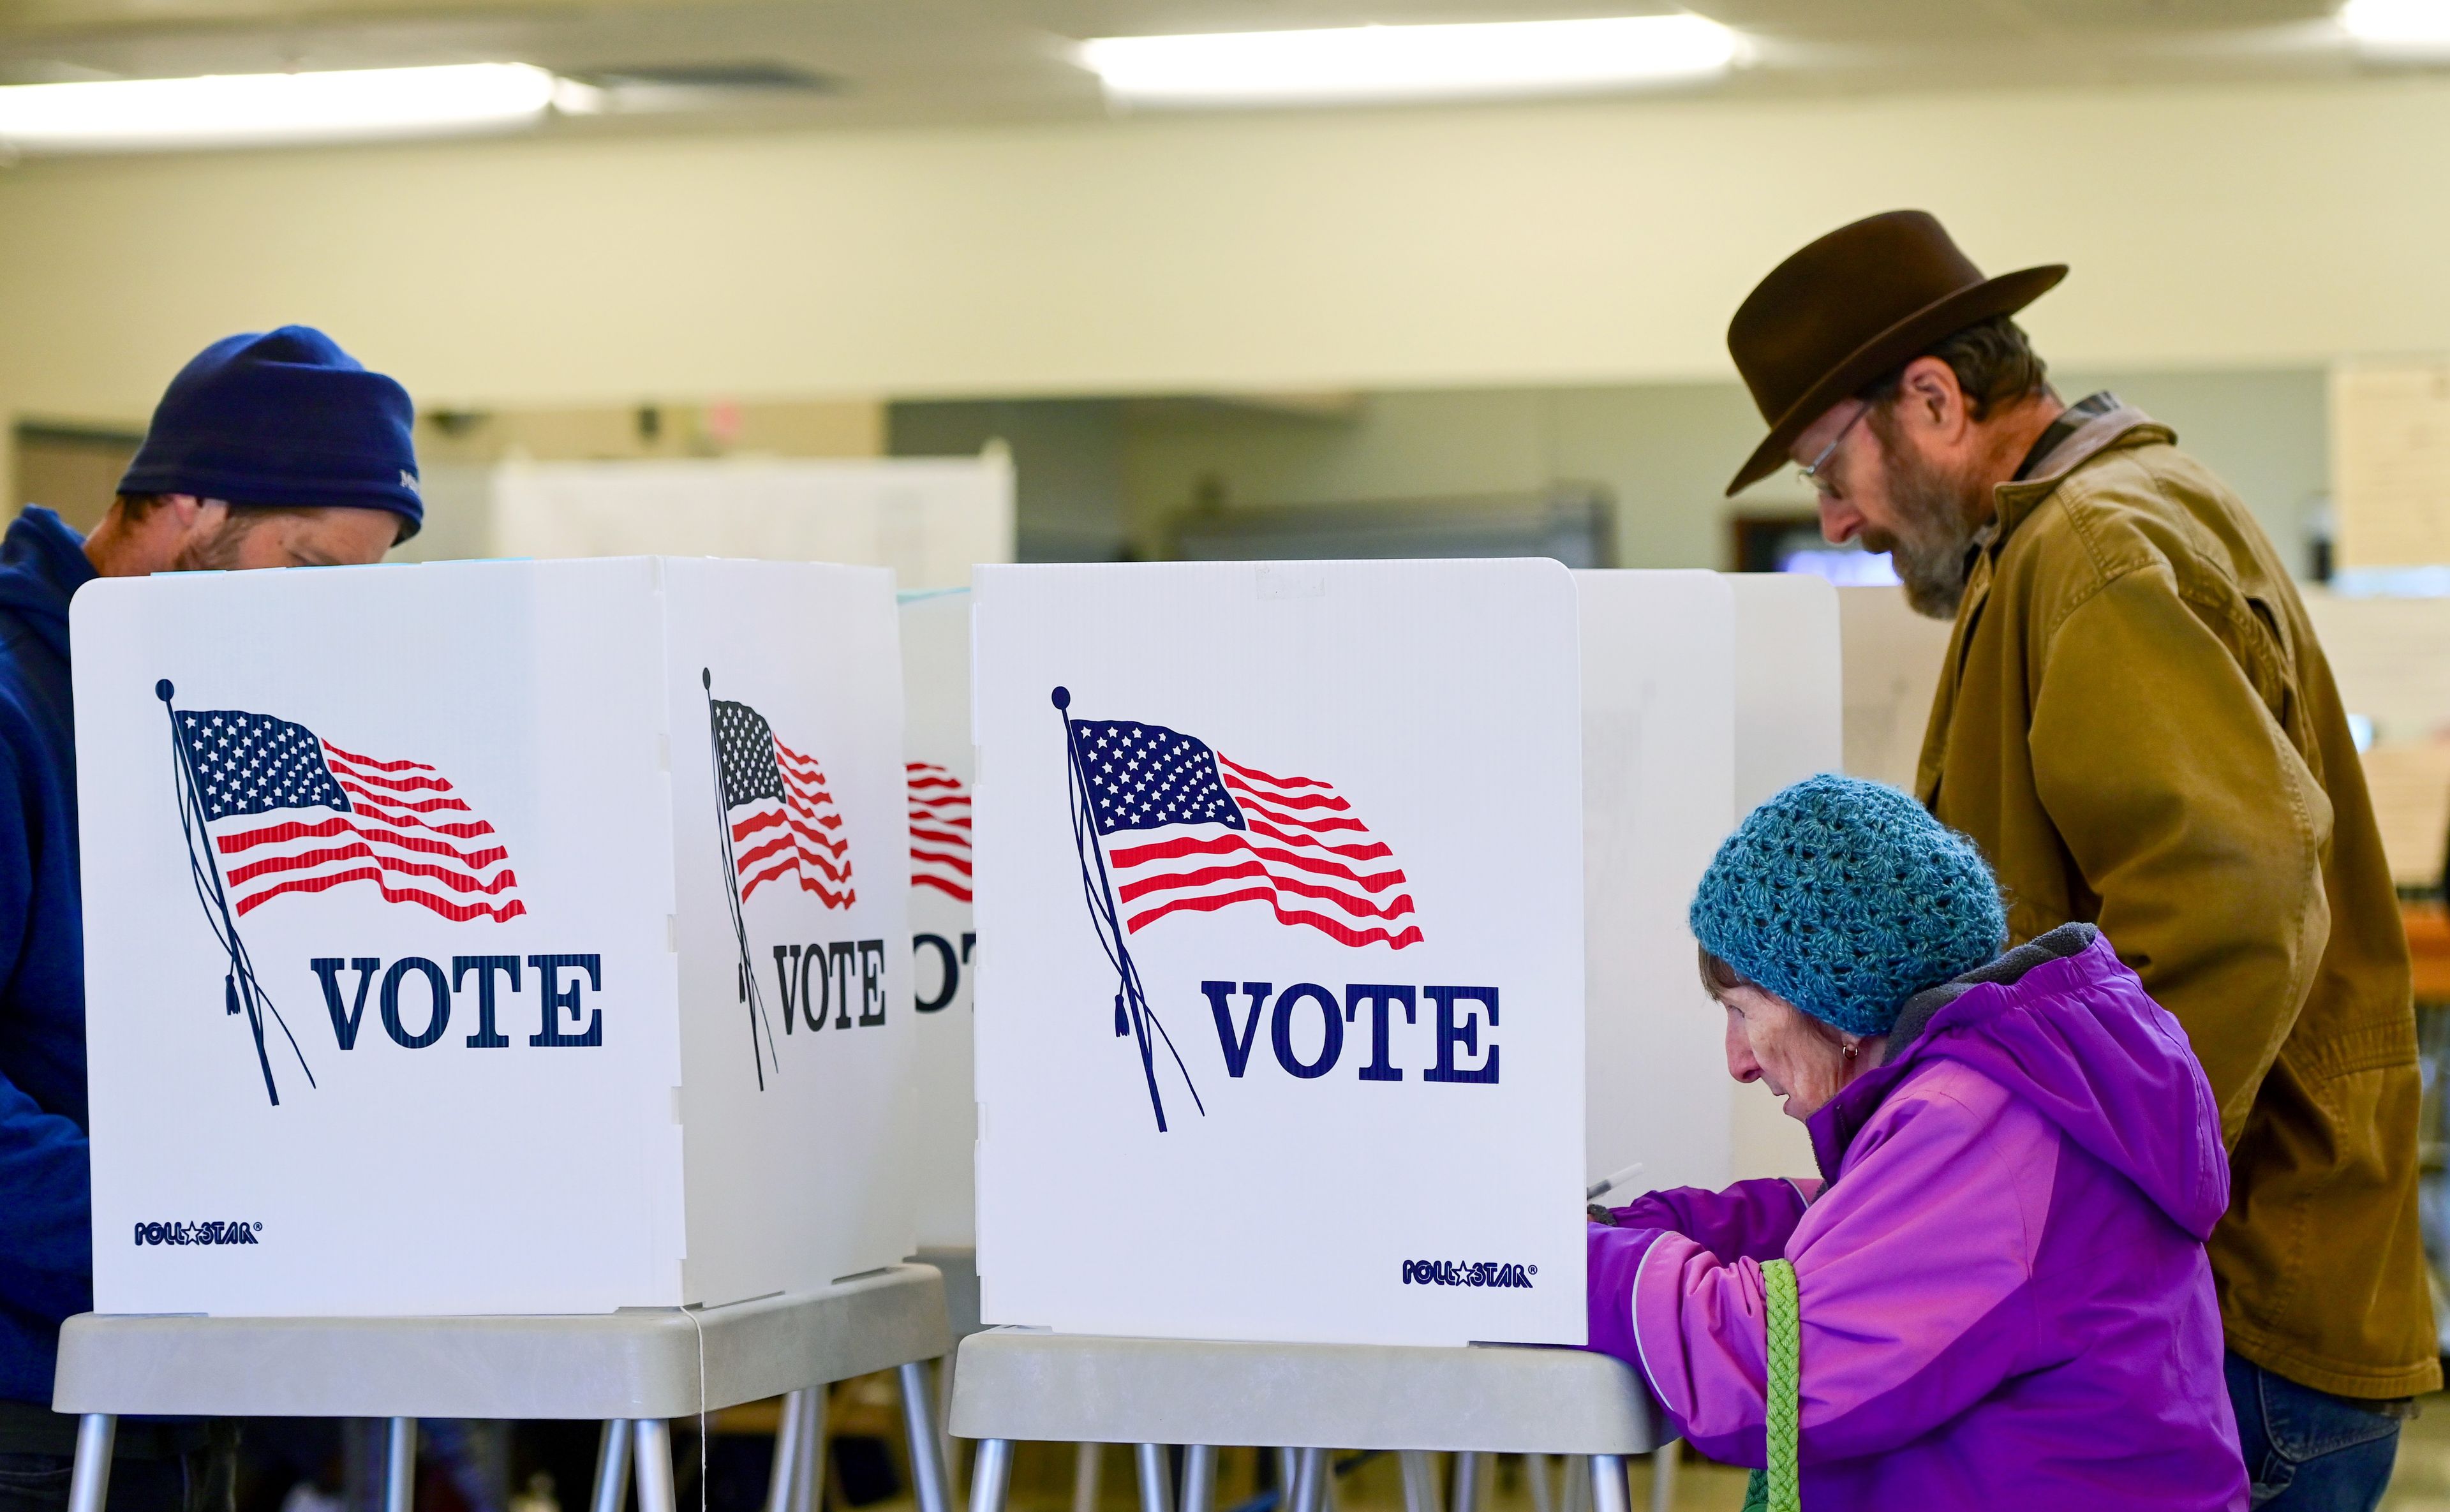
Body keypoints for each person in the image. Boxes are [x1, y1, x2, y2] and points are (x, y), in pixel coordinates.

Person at [1720, 211, 2434, 1509]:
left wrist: (2044, 1205)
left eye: (1834, 466)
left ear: (1932, 398)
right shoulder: (2072, 536)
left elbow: (2237, 906)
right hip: (2235, 1298)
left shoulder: (2094, 549)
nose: (1833, 519)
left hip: (2235, 1316)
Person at [0, 328, 420, 1512]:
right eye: (307, 572)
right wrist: (186, 1232)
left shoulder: (194, 710)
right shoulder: (17, 719)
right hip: (35, 1419)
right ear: (186, 506)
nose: (327, 627)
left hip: (181, 1402)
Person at [1586, 775, 2246, 1508]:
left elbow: (1771, 1371)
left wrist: (1565, 1264)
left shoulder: (1976, 1123)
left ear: (1836, 1008)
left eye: (1745, 1012)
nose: (1738, 1061)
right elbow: (1862, 1235)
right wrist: (1661, 1226)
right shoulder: (2011, 1093)